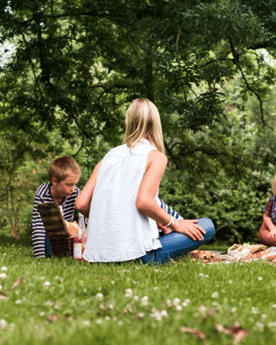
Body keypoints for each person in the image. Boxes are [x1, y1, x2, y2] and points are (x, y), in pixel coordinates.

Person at [75, 98, 215, 264]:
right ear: (156, 124)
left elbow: (81, 203)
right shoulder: (156, 157)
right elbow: (143, 202)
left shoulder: (108, 157)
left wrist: (110, 220)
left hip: (97, 257)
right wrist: (175, 223)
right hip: (137, 256)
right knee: (207, 225)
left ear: (128, 122)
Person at [31, 155, 81, 258]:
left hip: (67, 235)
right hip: (49, 234)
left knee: (78, 230)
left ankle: (76, 255)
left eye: (75, 184)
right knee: (47, 235)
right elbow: (38, 227)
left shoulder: (75, 192)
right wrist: (40, 256)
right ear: (54, 181)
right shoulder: (42, 194)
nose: (73, 188)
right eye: (69, 185)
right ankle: (48, 254)